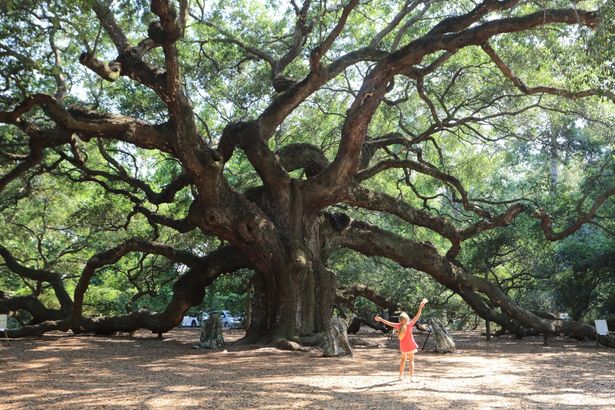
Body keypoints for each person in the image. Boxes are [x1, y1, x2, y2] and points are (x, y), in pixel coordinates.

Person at [375, 298, 428, 381]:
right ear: (407, 319)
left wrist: (381, 319)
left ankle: (400, 376)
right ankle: (412, 377)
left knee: (403, 360)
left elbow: (388, 323)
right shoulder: (410, 324)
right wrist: (420, 307)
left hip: (403, 346)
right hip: (411, 345)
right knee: (411, 361)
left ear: (400, 320)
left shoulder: (398, 325)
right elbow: (417, 316)